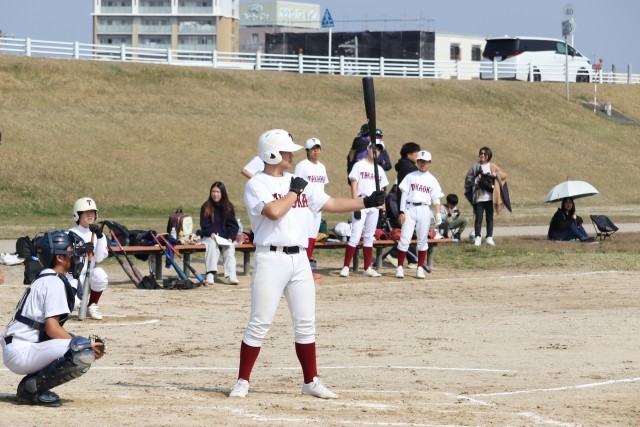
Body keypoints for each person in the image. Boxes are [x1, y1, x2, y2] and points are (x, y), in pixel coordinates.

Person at [229, 129, 384, 399]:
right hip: (271, 258)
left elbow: (330, 202)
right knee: (260, 322)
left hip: (300, 258)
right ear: (271, 154)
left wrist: (366, 201)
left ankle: (311, 381)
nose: (292, 155)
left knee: (305, 322)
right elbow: (273, 212)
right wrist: (293, 192)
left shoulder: (296, 181)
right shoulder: (257, 184)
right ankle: (242, 381)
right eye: (287, 151)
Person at [2, 230, 105, 407]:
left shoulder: (47, 277)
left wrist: (77, 341)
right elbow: (52, 328)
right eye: (71, 252)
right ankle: (31, 389)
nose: (75, 256)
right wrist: (84, 344)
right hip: (22, 350)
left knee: (79, 345)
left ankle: (32, 384)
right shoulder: (54, 282)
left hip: (20, 346)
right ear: (59, 258)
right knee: (82, 350)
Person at [340, 142, 389, 278]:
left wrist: (383, 210)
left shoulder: (380, 169)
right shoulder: (359, 165)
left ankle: (367, 268)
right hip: (361, 202)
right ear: (368, 148)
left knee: (369, 237)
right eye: (373, 148)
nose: (375, 151)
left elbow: (382, 191)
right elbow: (354, 185)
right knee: (355, 236)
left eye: (378, 149)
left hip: (374, 206)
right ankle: (346, 267)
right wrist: (354, 204)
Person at [395, 150, 444, 279]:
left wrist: (438, 213)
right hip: (410, 208)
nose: (423, 164)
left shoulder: (432, 179)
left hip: (424, 209)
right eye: (420, 161)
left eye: (425, 162)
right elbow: (404, 195)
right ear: (417, 162)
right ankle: (400, 267)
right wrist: (402, 211)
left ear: (430, 163)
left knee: (422, 240)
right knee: (405, 239)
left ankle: (420, 268)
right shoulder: (410, 176)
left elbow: (436, 198)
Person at [294, 137, 329, 280]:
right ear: (307, 151)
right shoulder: (302, 166)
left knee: (313, 237)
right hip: (306, 206)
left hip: (318, 207)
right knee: (306, 238)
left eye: (318, 148)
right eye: (313, 149)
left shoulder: (322, 167)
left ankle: (307, 268)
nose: (316, 151)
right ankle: (302, 269)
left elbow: (322, 187)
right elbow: (296, 185)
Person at [69, 197, 109, 320]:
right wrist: (80, 250)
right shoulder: (70, 233)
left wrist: (100, 237)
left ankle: (92, 305)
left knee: (100, 274)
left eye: (92, 212)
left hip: (89, 274)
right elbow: (64, 256)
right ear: (77, 215)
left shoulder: (98, 235)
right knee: (74, 304)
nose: (90, 214)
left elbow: (99, 258)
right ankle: (75, 305)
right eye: (86, 212)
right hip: (72, 276)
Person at [465, 147, 508, 247]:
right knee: (478, 218)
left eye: (485, 154)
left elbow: (504, 175)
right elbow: (468, 180)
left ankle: (489, 238)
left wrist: (495, 174)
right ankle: (477, 238)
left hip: (490, 198)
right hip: (479, 197)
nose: (482, 155)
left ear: (489, 155)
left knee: (490, 218)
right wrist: (477, 179)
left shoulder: (492, 166)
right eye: (481, 153)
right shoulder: (475, 167)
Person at [199, 181, 240, 285]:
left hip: (224, 238)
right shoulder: (206, 206)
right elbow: (204, 224)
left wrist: (230, 237)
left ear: (222, 193)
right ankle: (210, 274)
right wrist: (211, 233)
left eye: (217, 192)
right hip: (209, 237)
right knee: (212, 245)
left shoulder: (228, 206)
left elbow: (233, 225)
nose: (215, 194)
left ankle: (231, 275)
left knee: (230, 247)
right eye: (213, 191)